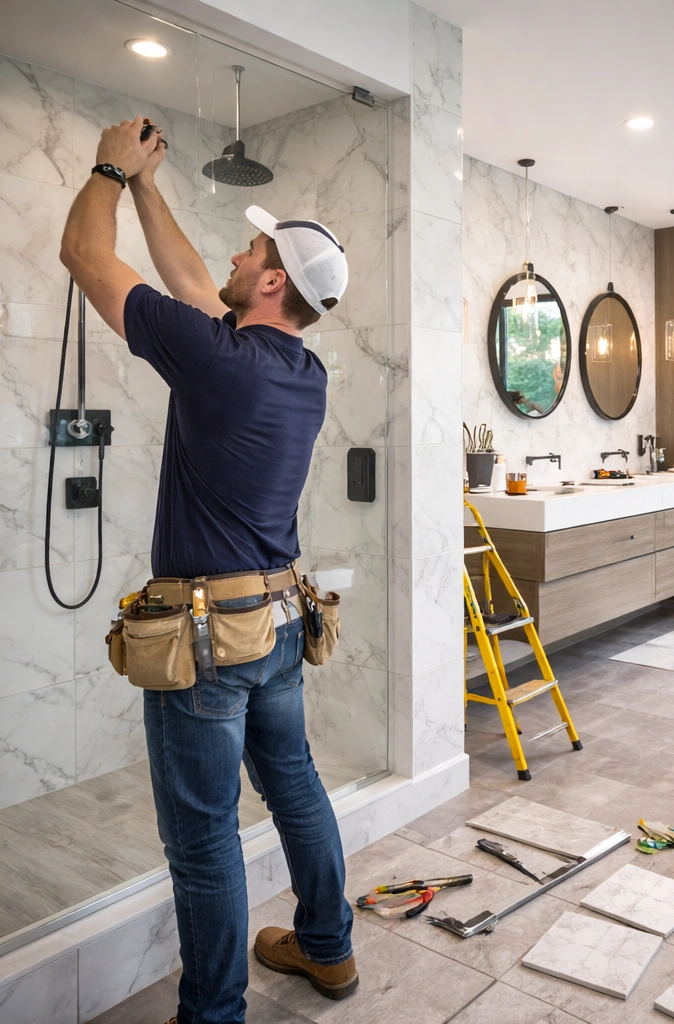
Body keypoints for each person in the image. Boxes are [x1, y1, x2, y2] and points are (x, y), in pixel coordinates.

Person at [60, 117, 356, 1024]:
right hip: (272, 625)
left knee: (202, 841)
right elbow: (198, 285)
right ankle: (327, 948)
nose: (234, 249)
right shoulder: (297, 369)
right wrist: (151, 186)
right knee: (295, 782)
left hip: (206, 642)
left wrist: (111, 166)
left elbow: (81, 251)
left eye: (252, 247)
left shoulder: (217, 360)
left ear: (271, 280)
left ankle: (214, 1014)